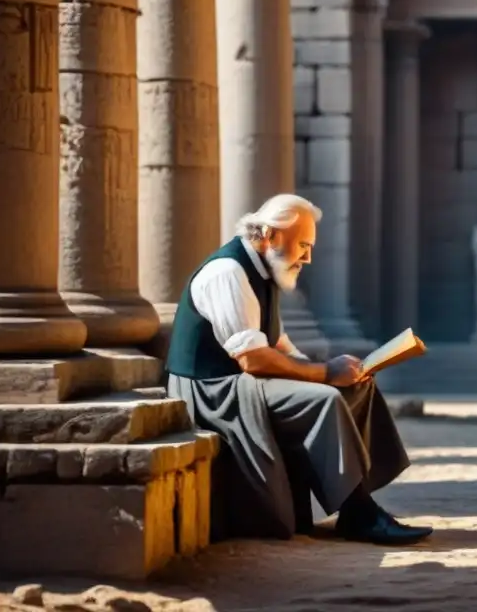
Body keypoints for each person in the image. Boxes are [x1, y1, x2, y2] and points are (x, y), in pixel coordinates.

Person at [165, 193, 432, 546]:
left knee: (358, 387)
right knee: (323, 400)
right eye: (303, 245)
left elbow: (276, 343)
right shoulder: (227, 272)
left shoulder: (262, 270)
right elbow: (253, 360)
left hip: (240, 379)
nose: (308, 256)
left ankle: (358, 501)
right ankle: (359, 516)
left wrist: (337, 369)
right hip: (214, 390)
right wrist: (324, 374)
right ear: (271, 235)